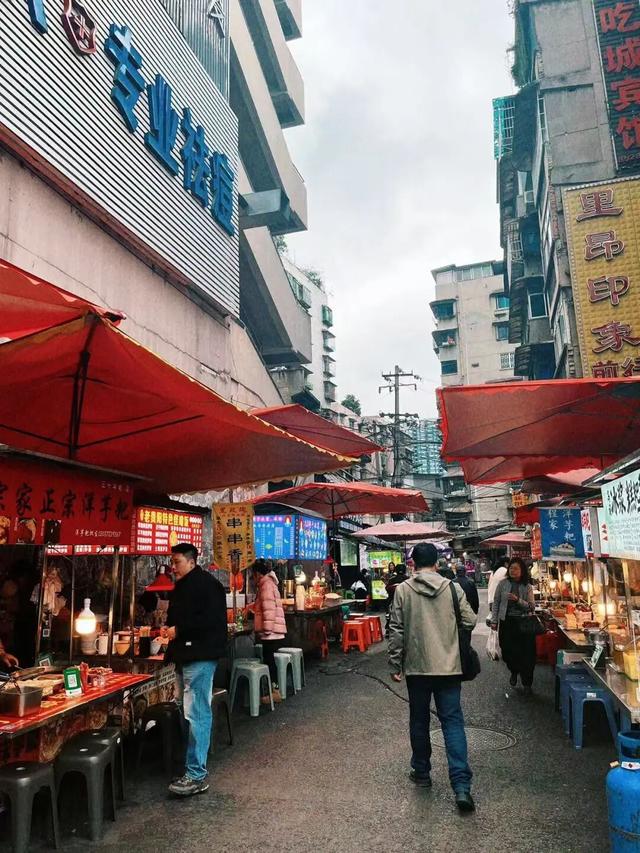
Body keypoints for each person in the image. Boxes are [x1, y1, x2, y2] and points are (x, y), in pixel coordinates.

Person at [388, 542, 477, 813]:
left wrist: (395, 663)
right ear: (437, 563)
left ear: (413, 564)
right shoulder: (452, 588)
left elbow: (396, 630)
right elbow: (470, 621)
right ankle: (461, 787)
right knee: (452, 722)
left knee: (419, 720)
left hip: (417, 668)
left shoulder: (403, 590)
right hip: (449, 667)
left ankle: (422, 772)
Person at [164, 543, 227, 797]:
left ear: (191, 562)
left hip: (201, 656)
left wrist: (179, 630)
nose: (173, 567)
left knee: (197, 712)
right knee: (187, 710)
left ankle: (196, 775)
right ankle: (190, 767)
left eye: (177, 562)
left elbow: (210, 620)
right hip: (184, 656)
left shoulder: (207, 585)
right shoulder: (182, 585)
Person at [490, 557, 536, 694]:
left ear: (522, 571)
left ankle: (527, 683)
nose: (513, 571)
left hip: (523, 624)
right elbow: (496, 603)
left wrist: (518, 600)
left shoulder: (527, 586)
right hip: (507, 623)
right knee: (508, 652)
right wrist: (494, 621)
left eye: (516, 568)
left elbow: (531, 607)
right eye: (511, 568)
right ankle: (514, 671)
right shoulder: (502, 584)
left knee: (527, 655)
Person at [252, 558, 287, 703]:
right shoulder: (270, 583)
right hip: (274, 630)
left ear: (258, 574)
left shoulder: (266, 585)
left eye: (253, 575)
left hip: (271, 631)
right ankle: (274, 690)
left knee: (269, 661)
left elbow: (269, 609)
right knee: (269, 660)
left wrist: (266, 629)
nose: (253, 579)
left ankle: (275, 691)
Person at [384, 563, 408, 637]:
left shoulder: (392, 580)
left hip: (392, 601)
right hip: (406, 602)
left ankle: (388, 629)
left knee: (389, 614)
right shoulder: (408, 579)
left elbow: (387, 589)